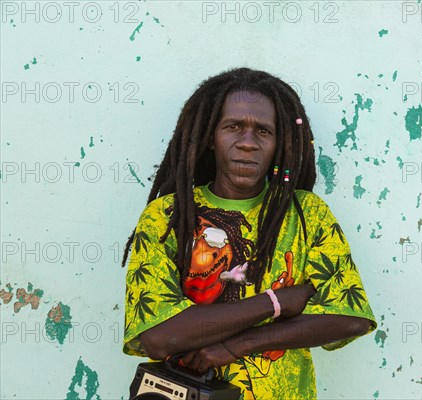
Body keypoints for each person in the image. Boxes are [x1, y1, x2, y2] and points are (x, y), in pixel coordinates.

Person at [122, 67, 377, 399]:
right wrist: (277, 302)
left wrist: (235, 346)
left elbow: (349, 317)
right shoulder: (168, 216)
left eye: (263, 131)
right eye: (232, 127)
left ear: (279, 144)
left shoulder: (306, 215)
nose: (247, 143)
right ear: (210, 138)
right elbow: (156, 335)